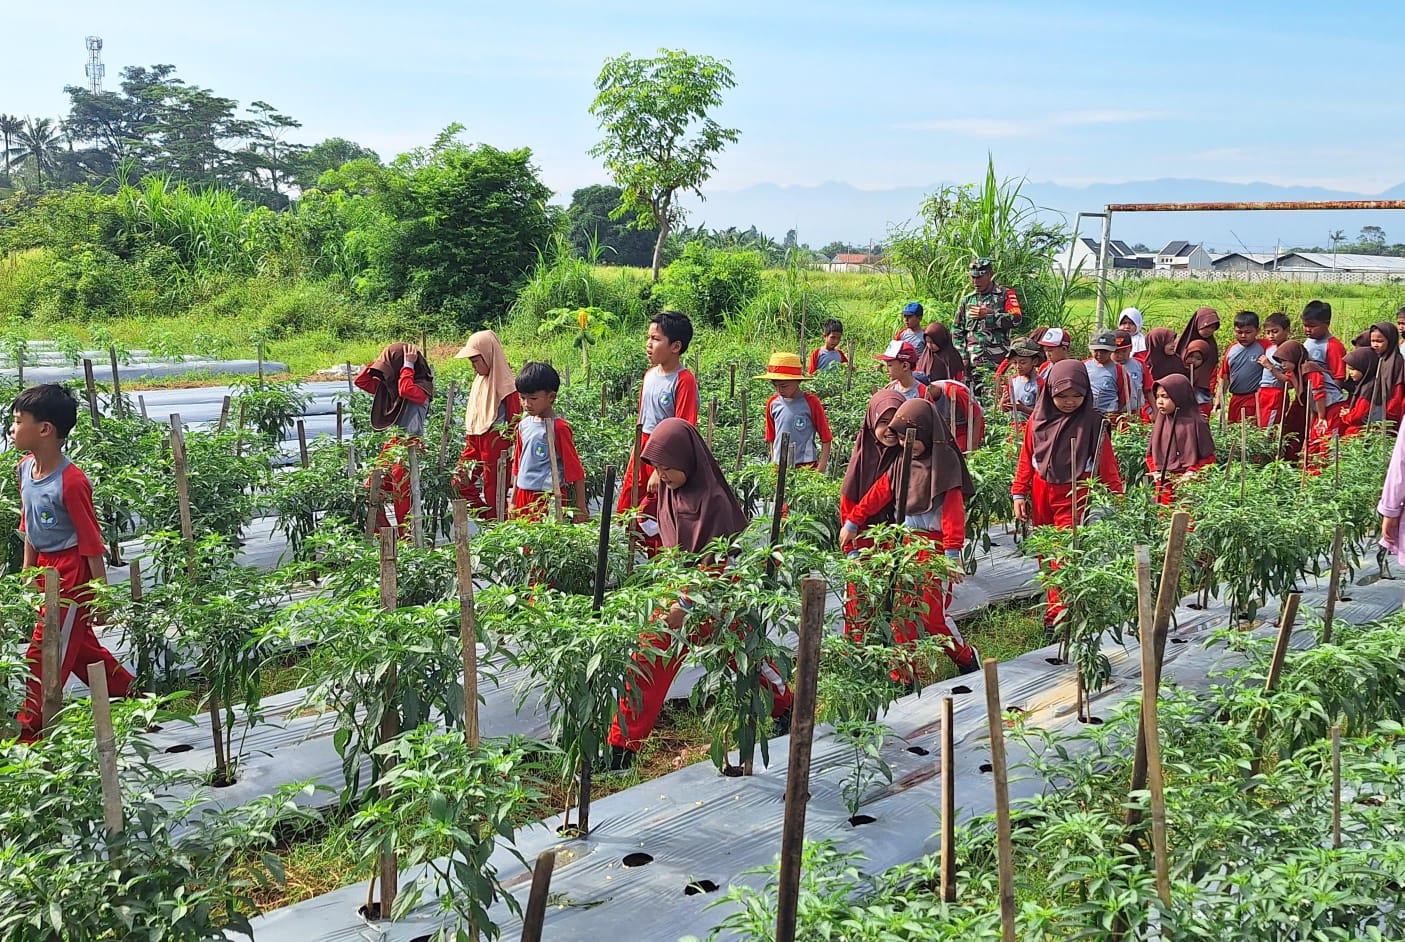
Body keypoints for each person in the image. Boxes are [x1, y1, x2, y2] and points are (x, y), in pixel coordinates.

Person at [605, 419, 792, 767]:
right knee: (647, 658)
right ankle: (621, 749)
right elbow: (652, 527)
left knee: (744, 657)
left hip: (718, 592)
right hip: (682, 586)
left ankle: (787, 708)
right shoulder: (666, 489)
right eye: (657, 468)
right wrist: (647, 499)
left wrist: (686, 601)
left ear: (688, 461)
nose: (663, 475)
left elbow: (721, 563)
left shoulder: (714, 502)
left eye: (668, 468)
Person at [12, 384, 134, 742]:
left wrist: (100, 595)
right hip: (44, 568)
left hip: (70, 573)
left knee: (47, 646)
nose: (12, 429)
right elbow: (29, 525)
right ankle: (132, 693)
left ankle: (27, 727)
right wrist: (27, 571)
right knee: (78, 647)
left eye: (18, 422)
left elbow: (91, 543)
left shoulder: (72, 481)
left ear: (45, 429)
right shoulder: (24, 470)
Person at [839, 398, 980, 679]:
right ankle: (903, 674)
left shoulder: (946, 464)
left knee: (932, 617)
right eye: (901, 437)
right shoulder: (902, 462)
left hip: (935, 547)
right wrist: (854, 521)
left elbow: (953, 514)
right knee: (903, 613)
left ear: (928, 432)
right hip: (905, 545)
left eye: (912, 437)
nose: (905, 443)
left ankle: (965, 656)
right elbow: (880, 492)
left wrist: (952, 556)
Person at [1011, 361, 1125, 629]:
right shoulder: (1037, 420)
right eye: (1062, 396)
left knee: (1064, 552)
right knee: (1045, 550)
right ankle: (1056, 604)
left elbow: (1106, 464)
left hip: (1075, 491)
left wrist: (1119, 500)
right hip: (1042, 491)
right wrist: (1018, 492)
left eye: (1077, 395)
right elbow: (1026, 459)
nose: (1070, 402)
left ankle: (1059, 613)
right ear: (1050, 391)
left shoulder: (1094, 424)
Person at [617, 311, 700, 551]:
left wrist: (660, 468)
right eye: (649, 337)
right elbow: (643, 419)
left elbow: (683, 428)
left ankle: (661, 568)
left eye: (655, 339)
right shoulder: (649, 375)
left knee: (658, 510)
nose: (648, 344)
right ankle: (634, 565)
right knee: (630, 508)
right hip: (642, 448)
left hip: (664, 455)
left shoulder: (684, 380)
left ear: (675, 346)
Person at [839, 390, 906, 641]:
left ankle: (894, 660)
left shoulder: (908, 456)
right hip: (863, 540)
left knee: (898, 600)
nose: (889, 429)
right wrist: (852, 552)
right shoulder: (862, 459)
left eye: (895, 422)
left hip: (897, 539)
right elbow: (847, 508)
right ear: (871, 422)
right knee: (859, 602)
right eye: (882, 422)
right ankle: (857, 658)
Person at [356, 342, 434, 536]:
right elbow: (362, 381)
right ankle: (388, 538)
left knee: (403, 502)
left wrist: (407, 365)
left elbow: (406, 389)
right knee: (370, 491)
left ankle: (406, 544)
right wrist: (382, 362)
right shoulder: (393, 387)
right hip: (393, 446)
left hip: (410, 447)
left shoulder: (423, 389)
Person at [509, 362, 588, 522]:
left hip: (549, 496)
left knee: (547, 540)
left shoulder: (558, 428)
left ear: (551, 397)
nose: (526, 404)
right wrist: (512, 500)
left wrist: (580, 506)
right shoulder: (524, 425)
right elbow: (518, 465)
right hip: (524, 494)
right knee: (524, 542)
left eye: (533, 398)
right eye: (522, 398)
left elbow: (575, 470)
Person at [454, 330, 518, 520]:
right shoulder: (480, 381)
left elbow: (515, 422)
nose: (473, 367)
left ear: (489, 356)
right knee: (458, 482)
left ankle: (496, 527)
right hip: (474, 441)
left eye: (475, 361)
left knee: (495, 496)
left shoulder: (507, 385)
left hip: (496, 445)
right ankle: (488, 518)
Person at [757, 352, 833, 472]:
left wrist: (821, 468)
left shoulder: (811, 402)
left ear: (798, 381)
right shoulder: (772, 403)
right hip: (778, 466)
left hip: (805, 466)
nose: (779, 390)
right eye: (775, 386)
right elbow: (771, 437)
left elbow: (826, 438)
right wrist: (773, 462)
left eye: (784, 386)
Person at [1146, 375, 1216, 504]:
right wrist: (1156, 471)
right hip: (1164, 484)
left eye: (1165, 397)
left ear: (1180, 397)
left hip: (1189, 485)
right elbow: (1151, 454)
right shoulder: (1161, 422)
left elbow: (1209, 457)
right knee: (1165, 519)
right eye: (1158, 396)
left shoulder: (1197, 423)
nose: (1159, 402)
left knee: (1188, 520)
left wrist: (1191, 473)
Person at [955, 257, 1024, 387]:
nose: (976, 281)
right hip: (973, 361)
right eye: (973, 277)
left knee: (997, 396)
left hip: (998, 360)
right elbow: (957, 330)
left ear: (990, 274)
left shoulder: (1005, 295)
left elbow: (1016, 319)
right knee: (974, 399)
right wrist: (962, 356)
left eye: (980, 277)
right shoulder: (967, 300)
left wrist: (990, 316)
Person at [1273, 339, 1342, 463]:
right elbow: (1308, 402)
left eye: (1284, 361)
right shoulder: (1298, 372)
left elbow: (1319, 393)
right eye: (1280, 362)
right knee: (1312, 439)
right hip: (1320, 410)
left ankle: (1327, 471)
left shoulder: (1309, 368)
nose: (1282, 365)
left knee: (1327, 441)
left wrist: (1321, 418)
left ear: (1294, 358)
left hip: (1332, 408)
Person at [1216, 311, 1267, 425]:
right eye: (1239, 332)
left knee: (1249, 429)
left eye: (1248, 332)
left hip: (1254, 398)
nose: (1243, 336)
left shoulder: (1265, 346)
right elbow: (1224, 376)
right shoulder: (1231, 349)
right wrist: (1219, 399)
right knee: (1233, 430)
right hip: (1235, 398)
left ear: (1257, 331)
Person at [1335, 346, 1387, 439]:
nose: (1350, 373)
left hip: (1363, 432)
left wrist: (1346, 416)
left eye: (1353, 369)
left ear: (1364, 367)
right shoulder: (1368, 383)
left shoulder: (1368, 388)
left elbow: (1358, 416)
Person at [1083, 329, 1128, 423]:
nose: (1099, 354)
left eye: (1104, 351)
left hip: (1109, 415)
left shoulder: (1118, 370)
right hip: (1087, 413)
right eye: (1096, 351)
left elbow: (1123, 396)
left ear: (1112, 351)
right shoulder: (1084, 366)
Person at [927, 378, 985, 452]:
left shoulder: (955, 392)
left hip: (969, 425)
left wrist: (973, 445)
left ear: (928, 388)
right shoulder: (927, 396)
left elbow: (977, 415)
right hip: (950, 425)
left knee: (959, 452)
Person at [1364, 321, 1405, 425]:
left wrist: (1390, 414)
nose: (1375, 345)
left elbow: (1398, 391)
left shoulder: (1396, 362)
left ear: (1390, 341)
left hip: (1389, 412)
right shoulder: (1376, 358)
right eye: (1372, 341)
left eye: (1379, 341)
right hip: (1375, 408)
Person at [1256, 312, 1291, 427]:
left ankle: (1269, 445)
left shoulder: (1288, 350)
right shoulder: (1270, 348)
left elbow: (1289, 381)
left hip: (1275, 392)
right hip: (1263, 390)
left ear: (1286, 330)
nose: (1271, 335)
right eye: (1267, 332)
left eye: (1275, 332)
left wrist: (1270, 367)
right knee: (1261, 423)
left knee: (1269, 427)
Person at [1300, 300, 1347, 383]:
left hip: (1324, 392)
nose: (1307, 329)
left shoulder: (1334, 346)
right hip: (1307, 391)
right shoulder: (1308, 341)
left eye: (1312, 326)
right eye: (1305, 325)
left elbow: (1338, 378)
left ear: (1327, 324)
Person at [999, 338, 1042, 426]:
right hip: (1012, 429)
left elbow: (1042, 414)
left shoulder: (1040, 384)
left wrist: (1023, 409)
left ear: (1035, 361)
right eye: (1014, 363)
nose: (1018, 366)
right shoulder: (1012, 381)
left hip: (1030, 429)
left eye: (1023, 362)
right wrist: (1003, 403)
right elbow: (1004, 409)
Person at [1113, 329, 1150, 422]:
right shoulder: (1105, 368)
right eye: (1116, 352)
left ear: (1131, 348)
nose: (1120, 356)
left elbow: (1148, 391)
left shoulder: (1140, 364)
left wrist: (1154, 411)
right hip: (1113, 415)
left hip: (1136, 413)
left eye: (1124, 351)